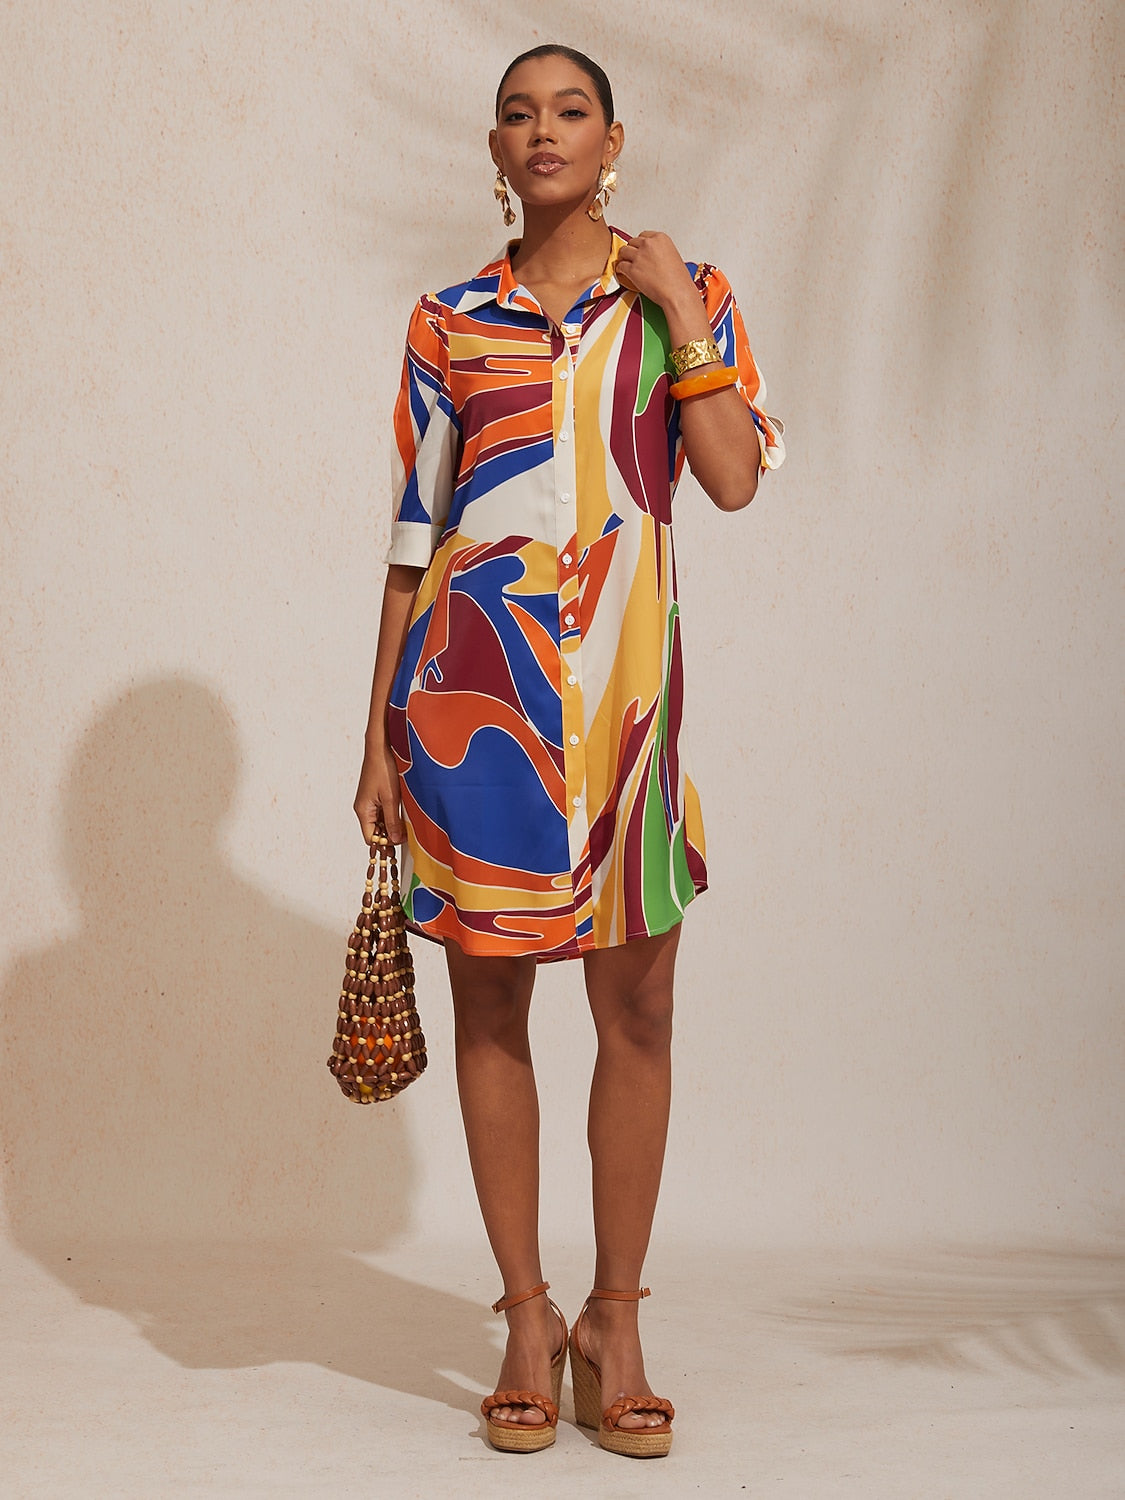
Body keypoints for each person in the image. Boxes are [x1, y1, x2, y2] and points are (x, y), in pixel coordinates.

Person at [354, 43, 784, 1458]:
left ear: (613, 140)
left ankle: (618, 1320)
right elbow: (413, 541)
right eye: (518, 114)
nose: (544, 131)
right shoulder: (447, 323)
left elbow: (730, 479)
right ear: (495, 148)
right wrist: (377, 735)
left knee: (637, 1014)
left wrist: (681, 315)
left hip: (625, 718)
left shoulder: (684, 295)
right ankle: (529, 1320)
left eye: (571, 110)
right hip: (473, 712)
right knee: (492, 1012)